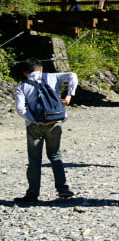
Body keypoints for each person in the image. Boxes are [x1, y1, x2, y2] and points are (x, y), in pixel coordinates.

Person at [13, 58, 78, 203]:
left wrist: (36, 120)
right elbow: (72, 75)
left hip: (35, 126)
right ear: (41, 69)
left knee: (34, 160)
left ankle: (32, 194)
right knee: (55, 155)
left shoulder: (22, 86)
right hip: (55, 123)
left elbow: (20, 109)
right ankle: (62, 188)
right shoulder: (52, 77)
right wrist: (69, 95)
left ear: (25, 73)